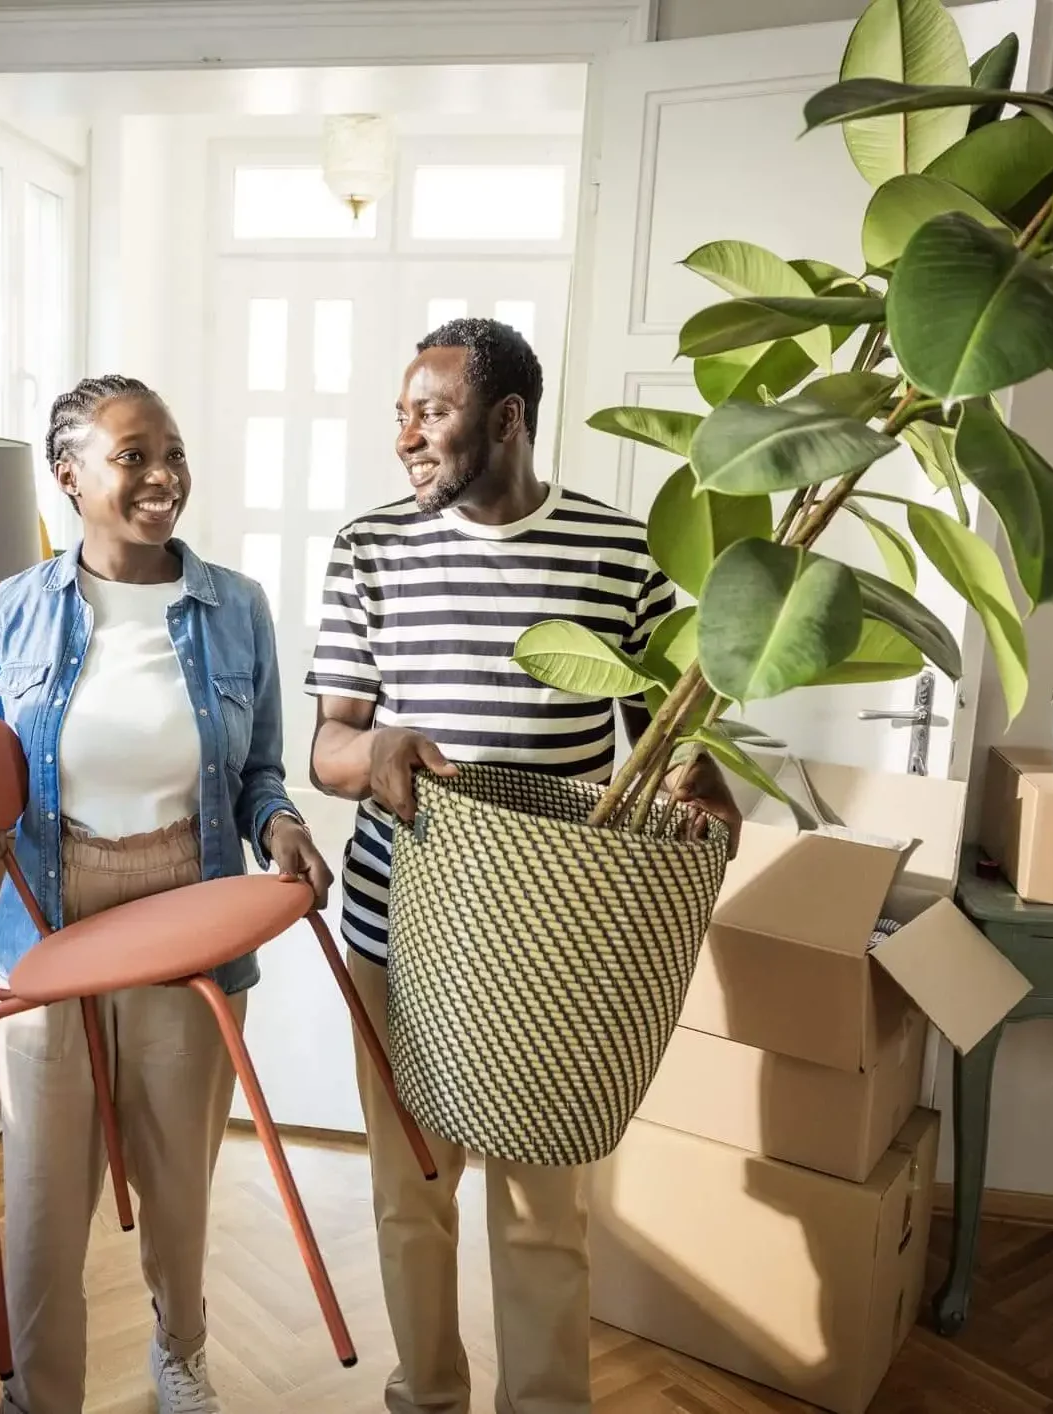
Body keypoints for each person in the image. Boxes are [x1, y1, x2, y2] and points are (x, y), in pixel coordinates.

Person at [306, 319, 741, 1414]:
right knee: (412, 1190)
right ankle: (427, 1397)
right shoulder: (369, 548)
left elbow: (662, 735)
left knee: (546, 1212)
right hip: (399, 934)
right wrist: (376, 752)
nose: (406, 436)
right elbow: (327, 746)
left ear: (507, 419)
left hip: (556, 943)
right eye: (400, 414)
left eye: (432, 412)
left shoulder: (620, 551)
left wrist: (699, 777)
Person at [0, 374, 334, 1414]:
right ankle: (40, 1396)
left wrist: (280, 825)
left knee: (177, 1184)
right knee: (43, 1197)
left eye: (173, 453)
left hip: (188, 911)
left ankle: (181, 1352)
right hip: (50, 919)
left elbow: (260, 773)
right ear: (69, 475)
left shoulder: (235, 606)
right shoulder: (14, 610)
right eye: (133, 456)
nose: (163, 476)